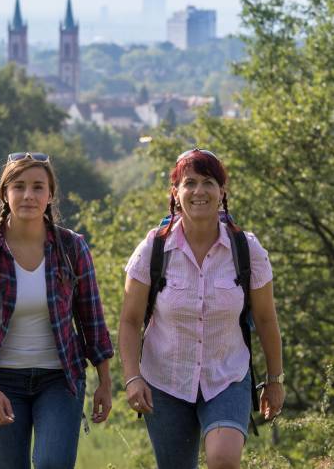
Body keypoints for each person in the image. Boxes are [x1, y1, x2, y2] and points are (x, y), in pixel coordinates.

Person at [119, 149, 285, 469]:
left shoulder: (247, 249)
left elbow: (265, 319)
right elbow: (129, 320)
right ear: (176, 194)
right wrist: (132, 378)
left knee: (223, 460)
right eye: (189, 183)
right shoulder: (153, 249)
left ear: (222, 193)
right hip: (164, 382)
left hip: (227, 377)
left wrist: (275, 379)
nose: (199, 191)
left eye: (208, 182)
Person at [0, 152, 114, 469]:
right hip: (2, 380)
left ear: (50, 195)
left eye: (37, 187)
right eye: (19, 186)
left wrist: (105, 382)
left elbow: (92, 319)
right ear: (5, 193)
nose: (28, 195)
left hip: (60, 379)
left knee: (53, 463)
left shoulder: (72, 248)